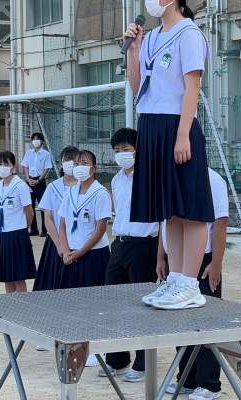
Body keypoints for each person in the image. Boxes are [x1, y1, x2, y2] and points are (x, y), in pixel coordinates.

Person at [125, 0, 214, 310]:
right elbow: (139, 88)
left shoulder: (189, 34)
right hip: (150, 124)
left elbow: (192, 89)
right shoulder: (151, 37)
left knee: (191, 209)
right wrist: (134, 50)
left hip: (178, 125)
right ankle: (175, 279)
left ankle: (190, 284)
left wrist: (183, 136)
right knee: (170, 212)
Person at [156, 168, 229, 400]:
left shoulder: (213, 180)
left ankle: (209, 384)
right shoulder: (170, 176)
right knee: (180, 320)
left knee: (205, 322)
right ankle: (186, 378)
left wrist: (216, 262)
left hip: (203, 260)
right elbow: (165, 222)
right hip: (177, 261)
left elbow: (220, 223)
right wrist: (161, 257)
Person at [99, 128, 158, 383]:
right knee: (113, 302)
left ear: (137, 150)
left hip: (144, 245)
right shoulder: (116, 180)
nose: (121, 154)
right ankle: (117, 358)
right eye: (117, 150)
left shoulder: (151, 177)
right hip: (120, 243)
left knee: (140, 305)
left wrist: (161, 254)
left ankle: (143, 362)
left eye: (126, 149)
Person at [58, 149, 111, 289]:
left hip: (94, 255)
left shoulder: (101, 193)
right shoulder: (70, 192)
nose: (79, 167)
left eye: (84, 163)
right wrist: (65, 251)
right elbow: (62, 224)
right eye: (76, 164)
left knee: (94, 297)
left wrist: (80, 253)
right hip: (70, 255)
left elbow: (100, 230)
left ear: (93, 169)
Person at [33, 146, 79, 292]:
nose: (70, 163)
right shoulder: (53, 187)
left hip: (79, 242)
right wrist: (60, 245)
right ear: (61, 163)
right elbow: (48, 219)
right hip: (56, 242)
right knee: (53, 285)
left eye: (74, 161)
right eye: (67, 160)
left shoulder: (84, 186)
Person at [0, 151, 36, 293]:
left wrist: (24, 228)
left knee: (18, 277)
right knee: (7, 276)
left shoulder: (20, 186)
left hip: (17, 234)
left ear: (13, 167)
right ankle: (10, 302)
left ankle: (22, 304)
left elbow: (29, 212)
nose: (2, 167)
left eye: (6, 164)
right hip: (2, 234)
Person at [21, 132, 53, 237]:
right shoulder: (28, 153)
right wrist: (28, 179)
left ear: (42, 141)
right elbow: (25, 166)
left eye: (37, 139)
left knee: (43, 206)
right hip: (29, 181)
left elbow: (46, 168)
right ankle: (33, 229)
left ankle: (45, 230)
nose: (35, 141)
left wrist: (38, 180)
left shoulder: (46, 154)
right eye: (34, 139)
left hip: (40, 181)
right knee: (30, 205)